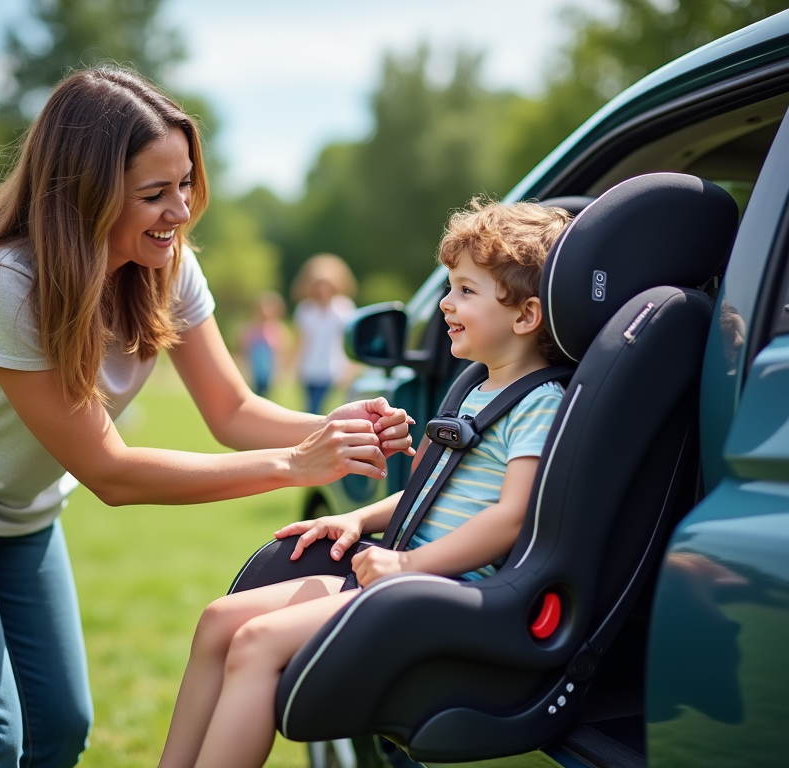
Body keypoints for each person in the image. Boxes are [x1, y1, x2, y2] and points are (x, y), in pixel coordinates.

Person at [0, 67, 415, 768]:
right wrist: (294, 464)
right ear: (85, 195)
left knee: (60, 727)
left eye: (186, 184)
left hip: (15, 500)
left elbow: (232, 408)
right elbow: (111, 471)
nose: (180, 211)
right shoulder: (4, 282)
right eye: (155, 194)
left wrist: (331, 430)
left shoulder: (168, 264)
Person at [158, 198, 572, 768]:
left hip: (443, 591)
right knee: (219, 622)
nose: (446, 304)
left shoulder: (539, 405)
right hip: (404, 577)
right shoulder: (478, 390)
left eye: (466, 291)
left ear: (525, 316)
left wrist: (405, 567)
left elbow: (512, 516)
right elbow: (434, 492)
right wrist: (358, 518)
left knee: (256, 645)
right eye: (449, 287)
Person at [291, 254, 357, 413]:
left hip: (332, 370)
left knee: (316, 409)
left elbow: (347, 341)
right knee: (310, 409)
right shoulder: (305, 309)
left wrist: (350, 369)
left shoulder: (344, 308)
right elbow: (302, 341)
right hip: (309, 369)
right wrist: (295, 366)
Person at [239, 290, 289, 398]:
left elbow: (281, 350)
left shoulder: (276, 329)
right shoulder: (251, 329)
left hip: (270, 371)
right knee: (255, 395)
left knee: (266, 395)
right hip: (255, 370)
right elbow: (244, 349)